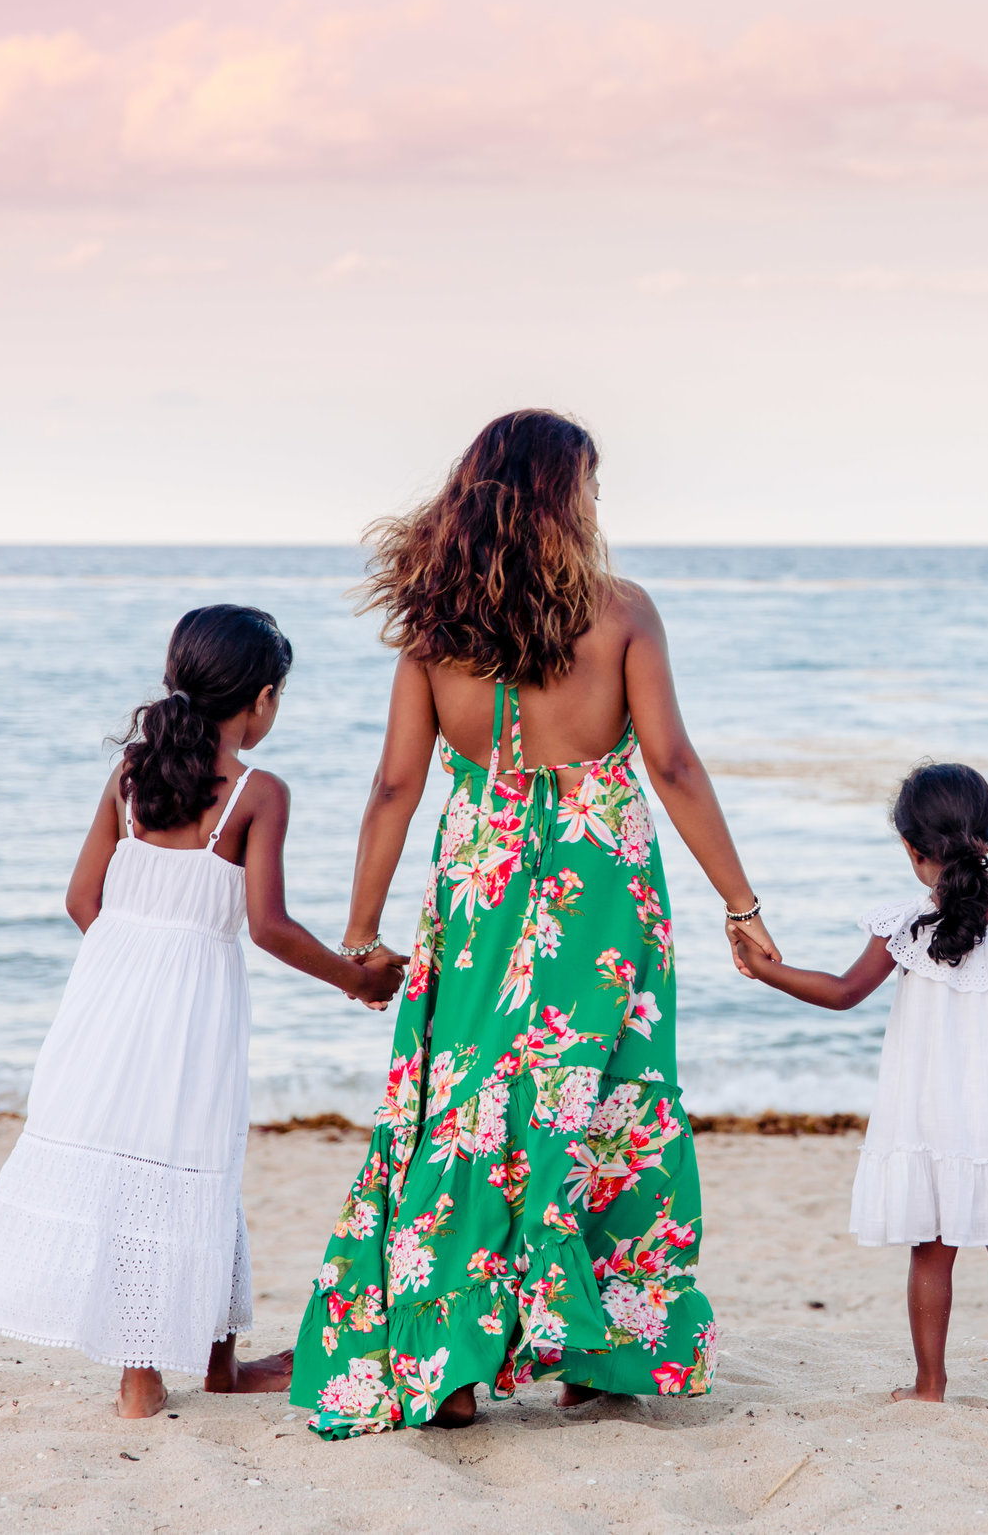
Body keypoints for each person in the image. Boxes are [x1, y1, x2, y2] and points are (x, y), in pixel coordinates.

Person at [291, 409, 776, 1437]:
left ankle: (450, 1363)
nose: (599, 506)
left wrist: (361, 933)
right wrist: (741, 901)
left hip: (479, 891)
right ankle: (603, 1356)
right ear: (563, 496)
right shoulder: (623, 612)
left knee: (466, 1103)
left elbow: (393, 786)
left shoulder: (435, 636)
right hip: (603, 895)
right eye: (591, 487)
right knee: (607, 1104)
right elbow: (674, 764)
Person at [0, 605, 404, 1419]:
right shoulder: (259, 792)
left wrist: (134, 957)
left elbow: (81, 898)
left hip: (108, 991)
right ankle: (142, 1382)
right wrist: (354, 979)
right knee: (188, 1157)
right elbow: (267, 925)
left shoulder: (131, 772)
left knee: (157, 1159)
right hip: (194, 1003)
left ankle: (217, 1362)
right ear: (261, 699)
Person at [731, 763, 988, 1415]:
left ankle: (930, 1383)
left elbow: (841, 992)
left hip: (933, 1113)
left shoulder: (907, 926)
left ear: (914, 850)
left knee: (931, 1250)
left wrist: (765, 968)